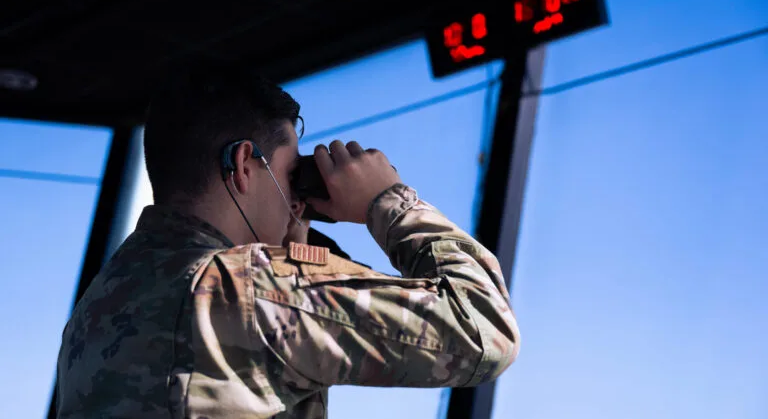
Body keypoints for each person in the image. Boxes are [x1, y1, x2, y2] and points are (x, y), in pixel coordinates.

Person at [54, 63, 521, 419]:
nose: (296, 197)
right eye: (289, 174)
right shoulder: (247, 287)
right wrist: (386, 201)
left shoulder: (98, 306)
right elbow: (483, 332)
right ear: (243, 165)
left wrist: (295, 237)